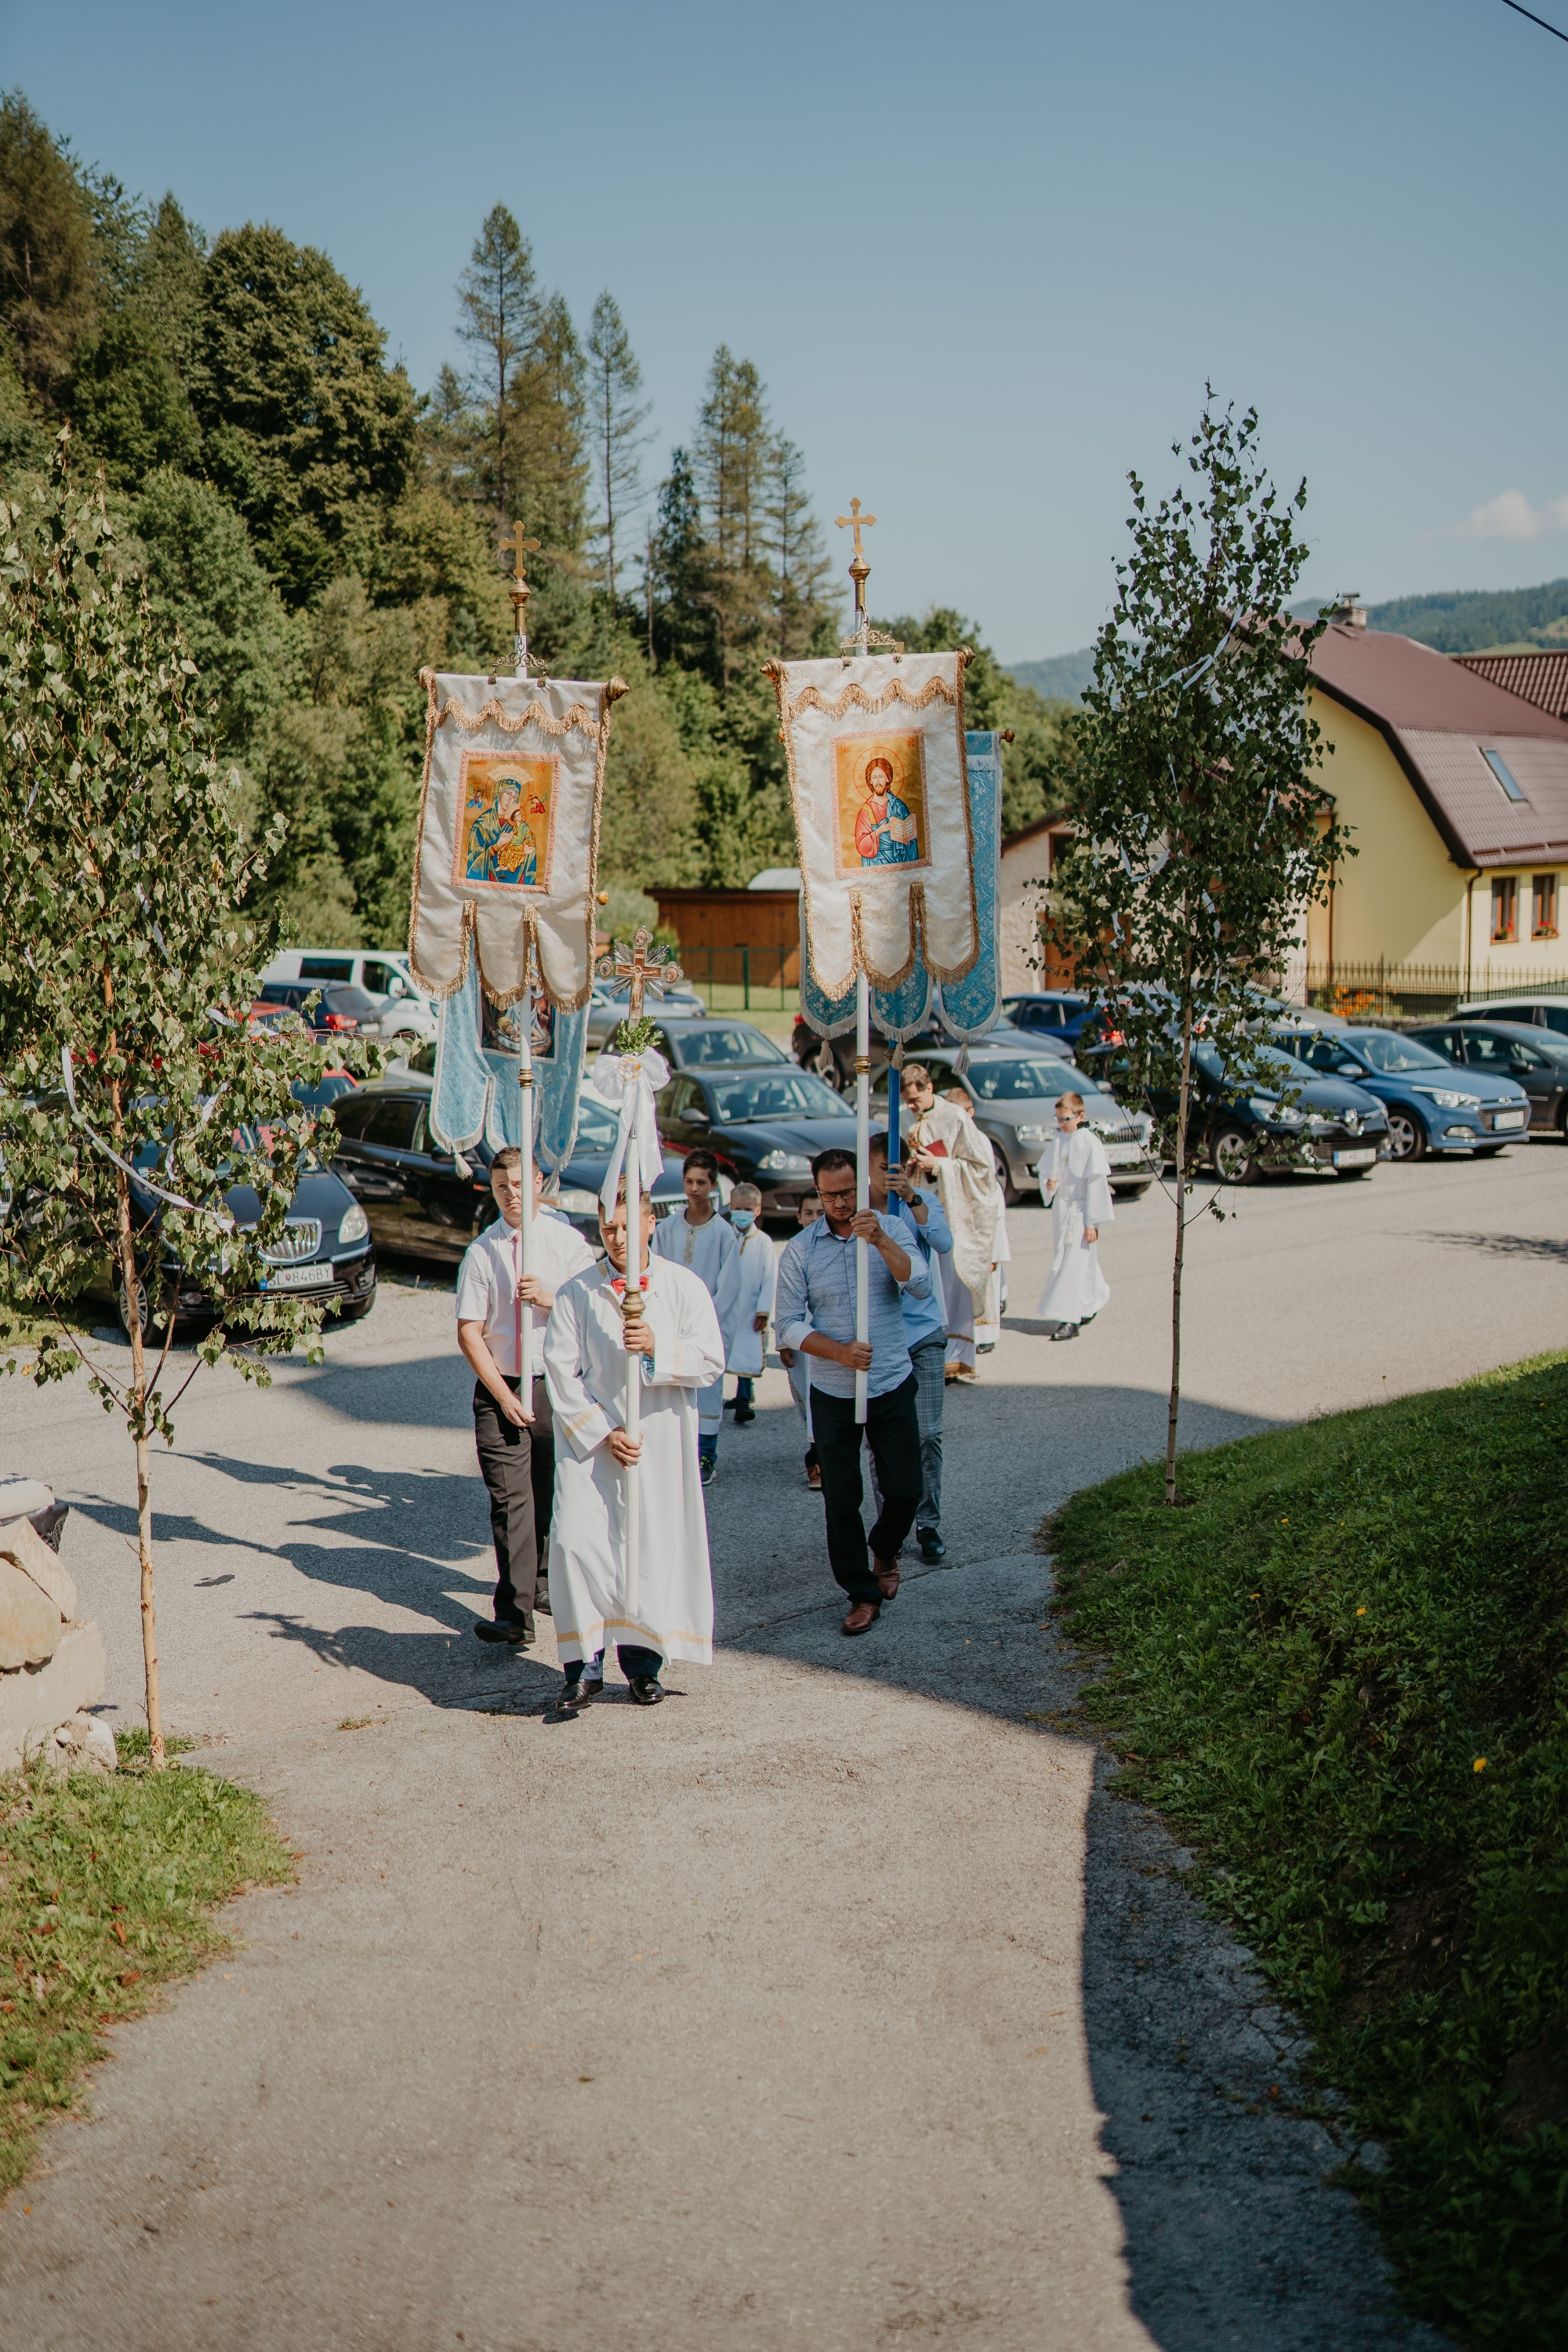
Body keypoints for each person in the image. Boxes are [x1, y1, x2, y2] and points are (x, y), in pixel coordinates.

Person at [543, 1181, 724, 1707]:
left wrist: (657, 1348)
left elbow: (711, 1360)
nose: (618, 1238)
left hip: (657, 1440)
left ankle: (644, 1665)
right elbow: (561, 1370)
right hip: (593, 1447)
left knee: (646, 1548)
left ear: (650, 1224)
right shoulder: (577, 1292)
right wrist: (603, 1431)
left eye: (628, 1227)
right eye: (609, 1228)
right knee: (577, 1543)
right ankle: (583, 1665)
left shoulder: (683, 1286)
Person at [774, 1147, 931, 1636]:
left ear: (861, 1187)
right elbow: (787, 1324)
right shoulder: (801, 1249)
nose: (840, 1203)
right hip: (833, 1390)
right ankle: (861, 1593)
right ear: (817, 1193)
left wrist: (880, 1239)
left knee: (905, 1489)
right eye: (829, 1195)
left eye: (847, 1192)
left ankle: (885, 1547)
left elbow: (921, 1285)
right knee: (841, 1499)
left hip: (890, 1380)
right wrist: (839, 1353)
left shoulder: (890, 1227)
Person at [456, 1148, 596, 1646]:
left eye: (519, 1184)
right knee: (510, 1501)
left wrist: (553, 1297)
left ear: (537, 1183)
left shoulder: (569, 1244)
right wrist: (504, 1395)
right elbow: (470, 1333)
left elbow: (596, 1313)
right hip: (504, 1386)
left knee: (553, 1492)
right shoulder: (483, 1252)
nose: (511, 1195)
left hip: (557, 1384)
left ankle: (544, 1581)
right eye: (501, 1187)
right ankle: (514, 1615)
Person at [867, 1131, 952, 1563]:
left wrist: (912, 1198)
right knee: (881, 1441)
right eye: (883, 1168)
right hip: (881, 1337)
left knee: (927, 1434)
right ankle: (891, 1525)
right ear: (869, 1166)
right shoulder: (857, 1208)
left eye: (896, 1169)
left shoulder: (922, 1202)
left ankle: (927, 1523)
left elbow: (943, 1243)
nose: (889, 1176)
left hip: (923, 1332)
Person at [901, 1063, 1000, 1386]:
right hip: (912, 1211)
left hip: (949, 1211)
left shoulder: (955, 1117)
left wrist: (940, 1164)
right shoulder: (903, 1118)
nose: (912, 1107)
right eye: (907, 1102)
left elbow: (982, 1169)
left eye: (916, 1100)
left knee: (950, 1285)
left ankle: (955, 1359)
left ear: (929, 1088)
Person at [651, 1148, 744, 1485]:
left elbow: (730, 1284)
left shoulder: (723, 1233)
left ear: (714, 1185)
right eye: (689, 1181)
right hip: (671, 1323)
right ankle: (675, 1454)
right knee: (670, 1385)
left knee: (706, 1387)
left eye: (701, 1182)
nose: (693, 1188)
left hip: (708, 1325)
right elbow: (656, 1270)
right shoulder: (668, 1228)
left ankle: (706, 1455)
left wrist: (703, 1322)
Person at [1037, 1091, 1113, 1341]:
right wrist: (1050, 1185)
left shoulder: (1090, 1143)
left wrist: (1093, 1223)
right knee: (1077, 1259)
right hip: (1063, 1208)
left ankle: (1069, 1319)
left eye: (1066, 1119)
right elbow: (1048, 1172)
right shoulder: (1059, 1141)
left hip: (1081, 1210)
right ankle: (1090, 1301)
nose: (1061, 1123)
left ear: (1080, 1116)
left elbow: (1096, 1185)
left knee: (1073, 1262)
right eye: (1058, 1118)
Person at [948, 1086, 1009, 1351]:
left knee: (986, 1271)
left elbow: (983, 1178)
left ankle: (987, 1333)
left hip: (982, 1209)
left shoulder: (979, 1139)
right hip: (962, 1212)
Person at [777, 1189, 823, 1486]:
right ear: (798, 1216)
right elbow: (783, 1299)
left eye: (820, 1213)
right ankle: (816, 1456)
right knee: (808, 1396)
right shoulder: (795, 1250)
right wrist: (783, 1342)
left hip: (830, 1338)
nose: (814, 1218)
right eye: (809, 1213)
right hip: (802, 1339)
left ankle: (821, 1459)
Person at [724, 1182, 775, 1426]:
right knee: (726, 1351)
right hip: (726, 1306)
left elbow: (770, 1277)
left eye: (747, 1209)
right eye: (738, 1208)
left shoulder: (763, 1242)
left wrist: (764, 1311)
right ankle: (737, 1394)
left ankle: (744, 1400)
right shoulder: (725, 1236)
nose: (742, 1213)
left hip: (750, 1309)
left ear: (757, 1210)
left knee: (746, 1352)